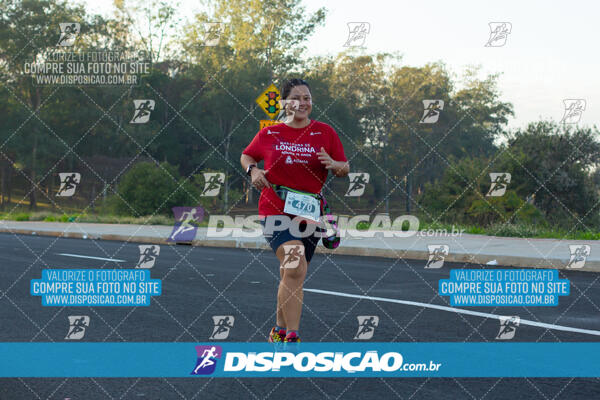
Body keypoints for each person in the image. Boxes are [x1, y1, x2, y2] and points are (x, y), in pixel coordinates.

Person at [241, 78, 349, 343]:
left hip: (309, 213)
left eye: (307, 98)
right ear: (284, 103)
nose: (303, 103)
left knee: (292, 273)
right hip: (274, 210)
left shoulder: (325, 132)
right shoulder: (270, 134)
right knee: (295, 264)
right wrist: (253, 170)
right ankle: (292, 337)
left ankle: (278, 329)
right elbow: (247, 155)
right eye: (297, 98)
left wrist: (334, 163)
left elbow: (344, 168)